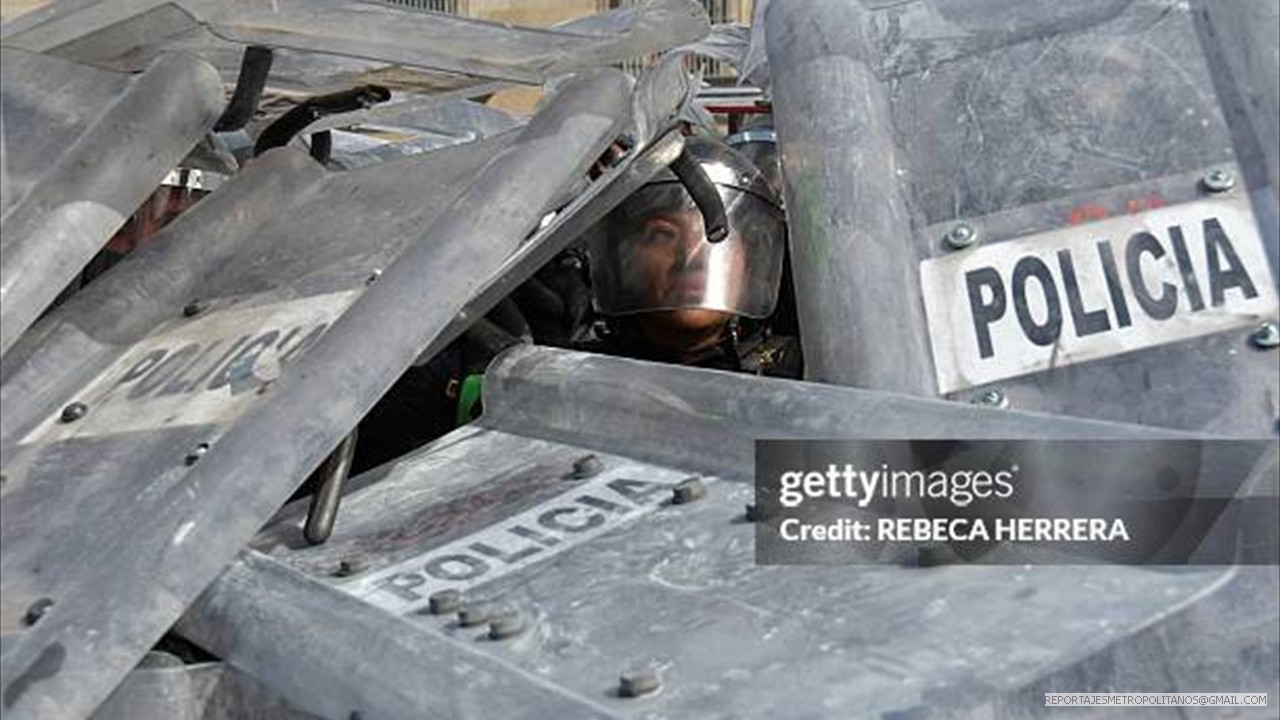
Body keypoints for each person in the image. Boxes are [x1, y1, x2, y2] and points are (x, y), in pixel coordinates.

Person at [581, 132, 801, 376]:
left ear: (749, 261)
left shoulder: (798, 374)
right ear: (621, 258)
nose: (692, 257)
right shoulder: (574, 374)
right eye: (663, 235)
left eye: (719, 237)